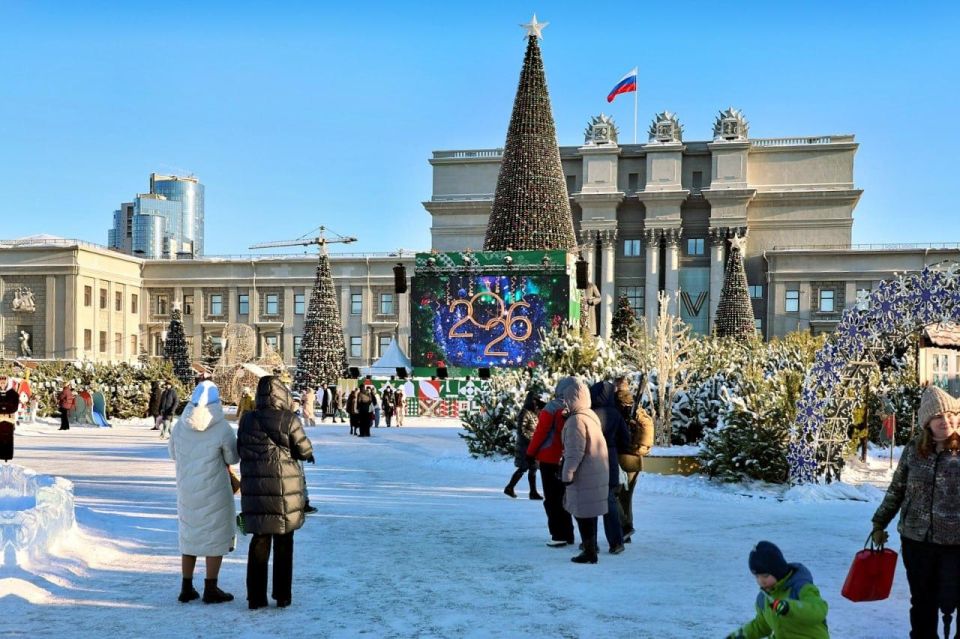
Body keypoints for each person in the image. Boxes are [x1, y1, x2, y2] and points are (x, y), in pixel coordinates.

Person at [871, 384, 960, 638]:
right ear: (927, 423)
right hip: (917, 540)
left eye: (952, 416)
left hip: (956, 544)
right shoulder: (913, 450)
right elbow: (896, 490)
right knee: (922, 601)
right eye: (939, 417)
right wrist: (879, 523)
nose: (947, 422)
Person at [238, 376, 315, 610]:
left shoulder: (247, 419)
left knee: (259, 542)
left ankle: (255, 597)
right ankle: (282, 595)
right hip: (284, 490)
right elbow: (304, 449)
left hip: (255, 490)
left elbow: (240, 448)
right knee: (284, 542)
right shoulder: (288, 419)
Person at [167, 380, 239, 605]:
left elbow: (172, 453)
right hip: (215, 490)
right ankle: (211, 587)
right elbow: (232, 458)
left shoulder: (181, 424)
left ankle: (186, 587)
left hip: (187, 489)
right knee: (215, 537)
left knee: (189, 536)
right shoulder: (221, 427)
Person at [726, 541, 830, 639]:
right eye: (757, 576)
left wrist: (789, 608)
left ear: (778, 571)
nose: (761, 581)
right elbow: (762, 625)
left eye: (765, 575)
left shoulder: (800, 587)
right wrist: (742, 635)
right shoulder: (764, 598)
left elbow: (819, 610)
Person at [558, 377, 608, 564]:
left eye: (566, 398)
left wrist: (567, 474)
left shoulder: (575, 420)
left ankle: (589, 551)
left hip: (583, 474)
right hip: (595, 471)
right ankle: (591, 547)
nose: (564, 402)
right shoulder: (590, 415)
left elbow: (574, 451)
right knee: (590, 512)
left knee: (582, 513)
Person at [527, 380, 576, 548]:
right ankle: (568, 532)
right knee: (565, 497)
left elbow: (541, 433)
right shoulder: (576, 408)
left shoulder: (552, 408)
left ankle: (558, 534)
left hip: (550, 458)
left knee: (552, 499)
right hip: (569, 457)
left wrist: (530, 453)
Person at [590, 380, 630, 555]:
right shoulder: (615, 414)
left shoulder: (589, 415)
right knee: (609, 501)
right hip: (610, 458)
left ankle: (589, 542)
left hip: (592, 459)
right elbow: (626, 440)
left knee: (589, 502)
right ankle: (616, 542)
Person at [614, 378, 653, 543]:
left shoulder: (615, 405)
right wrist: (641, 449)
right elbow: (648, 426)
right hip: (635, 459)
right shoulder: (637, 408)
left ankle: (625, 526)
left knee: (612, 495)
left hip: (620, 457)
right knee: (626, 497)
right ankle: (626, 528)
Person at [504, 390, 544, 500]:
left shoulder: (533, 413)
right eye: (535, 401)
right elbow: (521, 430)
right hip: (525, 446)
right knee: (523, 468)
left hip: (532, 445)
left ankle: (532, 491)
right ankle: (510, 487)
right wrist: (531, 440)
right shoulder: (525, 412)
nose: (536, 403)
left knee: (533, 468)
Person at [0, 374, 19, 462]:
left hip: (9, 420)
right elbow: (9, 406)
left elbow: (14, 407)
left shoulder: (13, 394)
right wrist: (6, 406)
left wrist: (3, 407)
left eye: (4, 381)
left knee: (8, 439)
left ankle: (7, 456)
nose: (2, 383)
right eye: (1, 381)